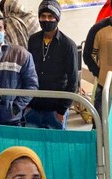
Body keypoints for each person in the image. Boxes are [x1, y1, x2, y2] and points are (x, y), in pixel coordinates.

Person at [0, 13, 38, 127]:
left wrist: (15, 107)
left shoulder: (21, 55)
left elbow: (31, 85)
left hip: (11, 120)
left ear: (5, 30)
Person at [27, 0, 79, 129]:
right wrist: (27, 103)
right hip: (33, 106)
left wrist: (62, 110)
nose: (46, 20)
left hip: (56, 109)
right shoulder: (33, 40)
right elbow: (28, 72)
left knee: (55, 146)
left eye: (50, 16)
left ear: (57, 18)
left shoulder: (68, 45)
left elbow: (73, 81)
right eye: (43, 16)